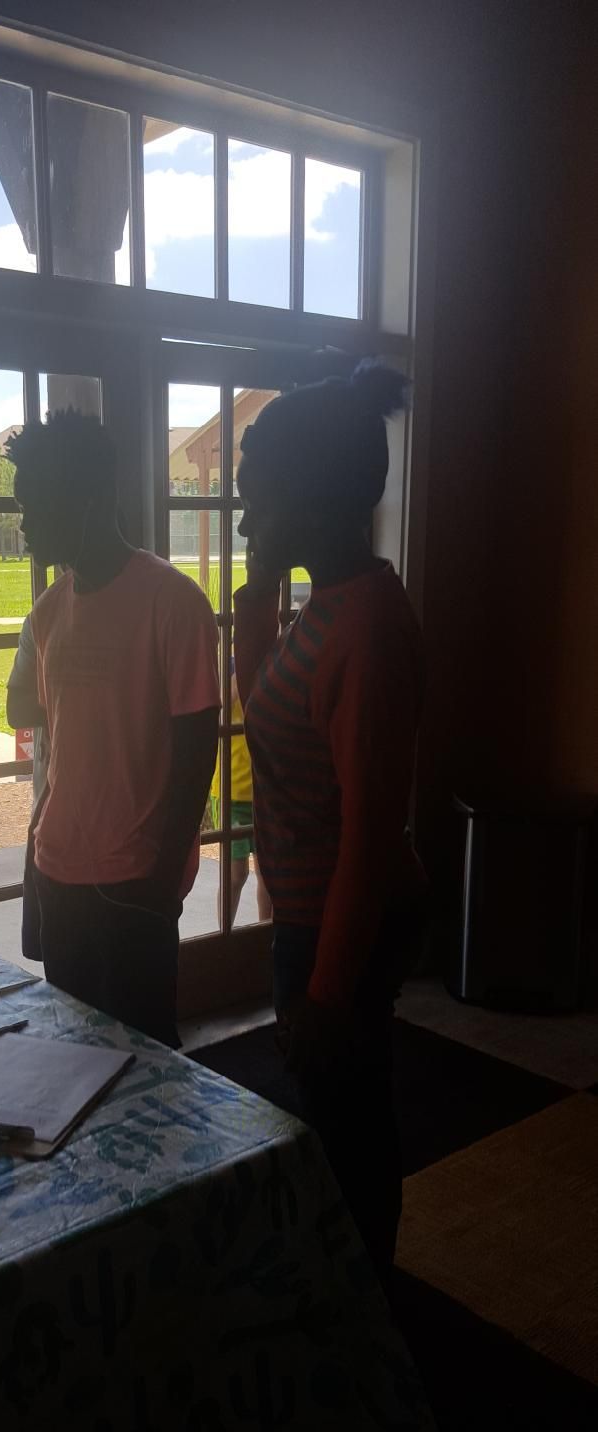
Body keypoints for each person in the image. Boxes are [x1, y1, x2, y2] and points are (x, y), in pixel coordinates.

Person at [234, 360, 426, 1276]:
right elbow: (269, 733)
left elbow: (371, 837)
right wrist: (254, 601)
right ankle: (339, 1284)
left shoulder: (369, 630)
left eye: (255, 500)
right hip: (309, 918)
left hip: (337, 927)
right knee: (322, 1116)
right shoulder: (328, 607)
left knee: (347, 1127)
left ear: (305, 498)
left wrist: (325, 992)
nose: (243, 521)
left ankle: (368, 1308)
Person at [5, 410, 219, 1047]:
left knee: (148, 1066)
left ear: (90, 499)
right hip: (56, 871)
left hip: (133, 884)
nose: (26, 526)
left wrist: (158, 885)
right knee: (71, 1055)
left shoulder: (173, 604)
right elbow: (51, 739)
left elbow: (195, 753)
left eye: (36, 506)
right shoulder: (47, 614)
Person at [209, 659, 271, 927]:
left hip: (264, 786)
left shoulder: (273, 662)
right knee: (235, 875)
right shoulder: (229, 665)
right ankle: (224, 936)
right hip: (231, 788)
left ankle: (264, 937)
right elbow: (217, 709)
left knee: (268, 875)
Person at [7, 614, 50, 962]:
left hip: (129, 826)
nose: (29, 553)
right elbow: (16, 710)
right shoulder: (44, 616)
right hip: (53, 813)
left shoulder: (43, 615)